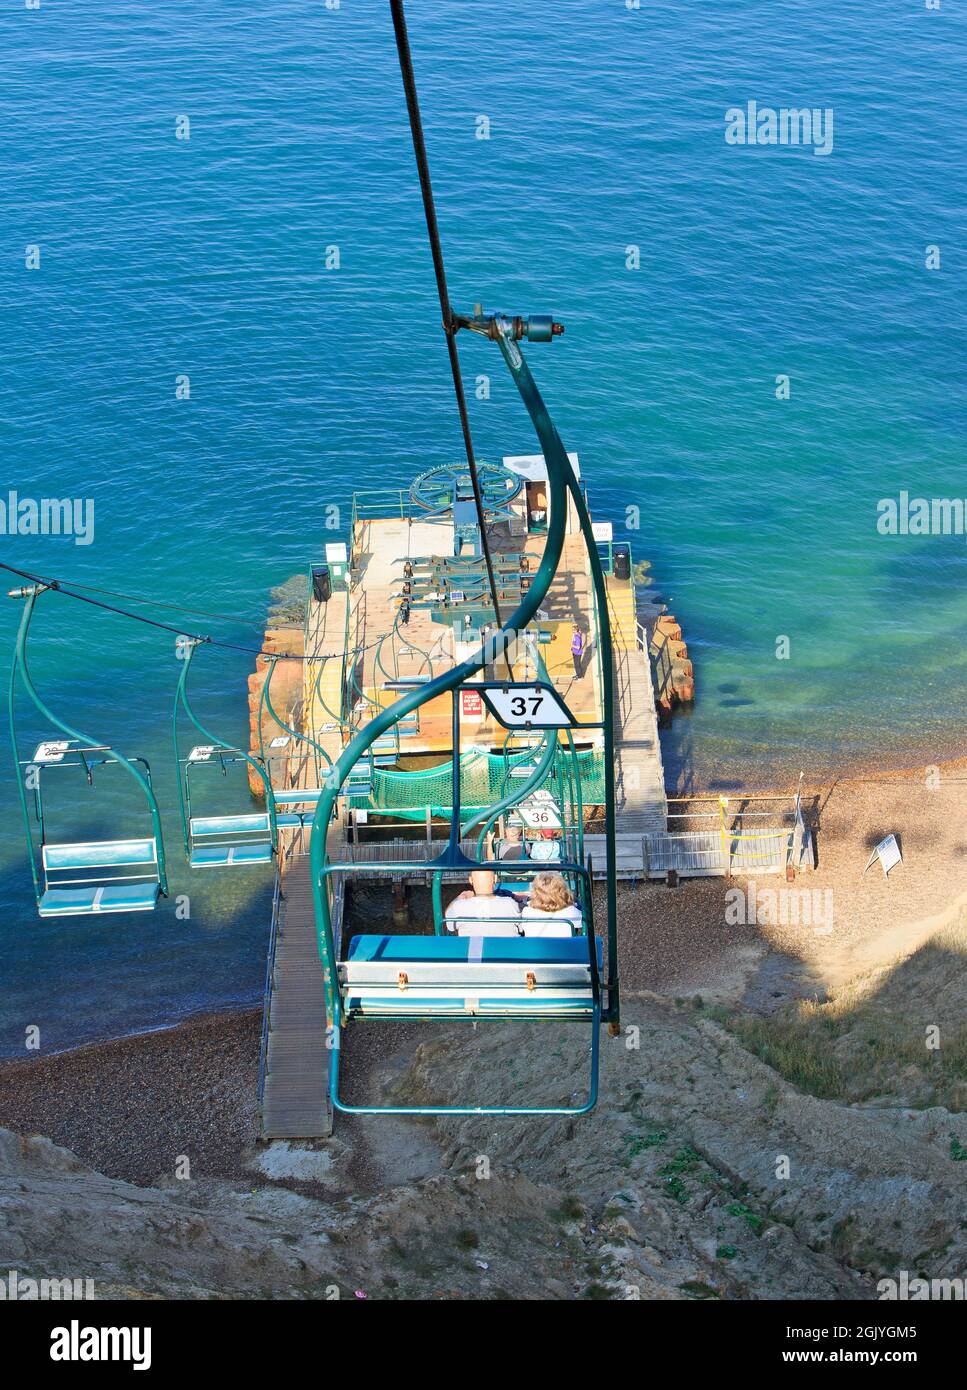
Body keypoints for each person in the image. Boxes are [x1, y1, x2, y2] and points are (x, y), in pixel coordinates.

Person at [445, 869, 521, 935]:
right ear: (495, 878)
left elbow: (450, 926)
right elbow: (522, 927)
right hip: (505, 947)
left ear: (470, 880)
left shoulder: (459, 906)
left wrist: (459, 898)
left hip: (474, 947)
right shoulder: (509, 903)